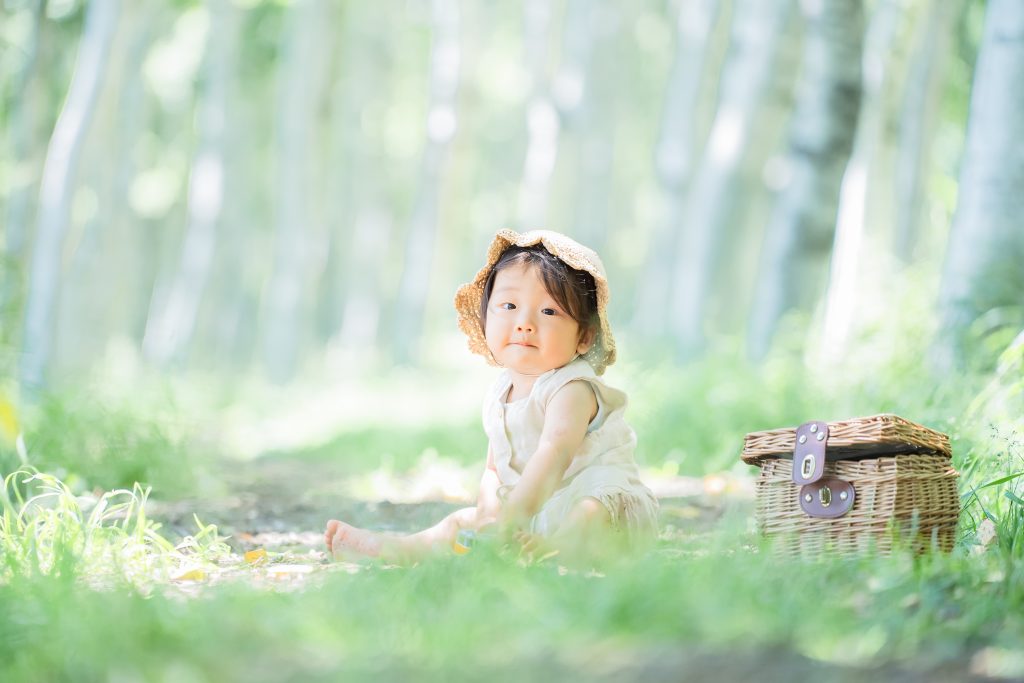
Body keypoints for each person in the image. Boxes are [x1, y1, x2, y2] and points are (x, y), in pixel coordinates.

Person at [324, 229, 658, 563]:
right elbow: (494, 467)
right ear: (486, 320)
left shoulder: (572, 388)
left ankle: (557, 550)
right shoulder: (501, 393)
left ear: (584, 337)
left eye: (548, 312)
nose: (524, 323)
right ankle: (394, 550)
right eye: (510, 306)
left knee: (589, 512)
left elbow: (554, 452)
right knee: (461, 522)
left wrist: (515, 515)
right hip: (535, 512)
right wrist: (490, 511)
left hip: (603, 509)